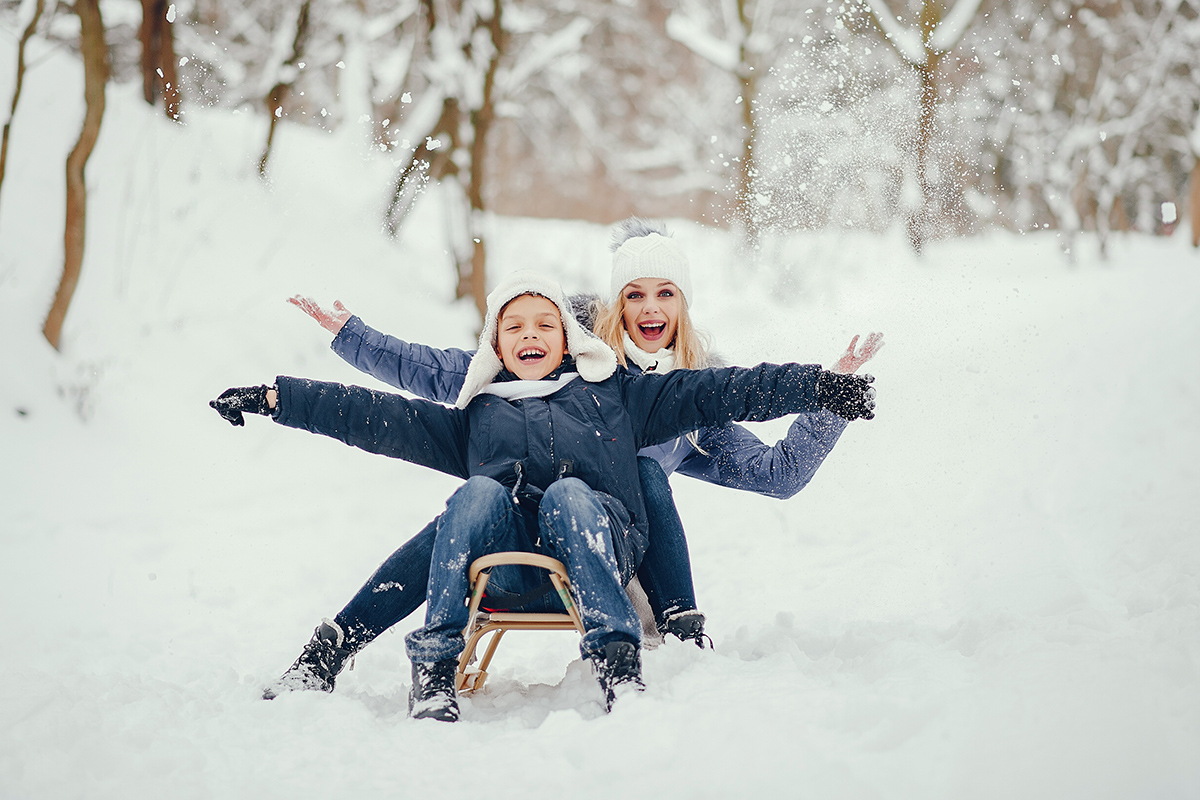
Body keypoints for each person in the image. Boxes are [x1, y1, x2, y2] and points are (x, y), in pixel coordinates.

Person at [211, 271, 877, 720]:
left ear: (568, 338)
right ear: (495, 346)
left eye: (544, 325)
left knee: (569, 498)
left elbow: (724, 390)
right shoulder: (479, 413)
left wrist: (820, 389)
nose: (529, 335)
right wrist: (277, 398)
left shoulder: (620, 395)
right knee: (469, 502)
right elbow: (376, 418)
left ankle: (617, 659)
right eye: (514, 327)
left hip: (599, 560)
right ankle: (375, 657)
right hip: (503, 572)